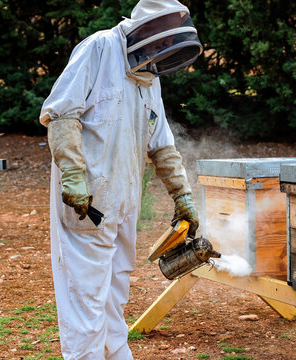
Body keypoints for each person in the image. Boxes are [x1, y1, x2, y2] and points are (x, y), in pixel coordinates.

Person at [39, 0, 202, 358]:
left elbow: (162, 145)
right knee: (86, 296)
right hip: (87, 203)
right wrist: (71, 173)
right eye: (159, 43)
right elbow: (62, 112)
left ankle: (115, 353)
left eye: (165, 46)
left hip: (122, 204)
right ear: (144, 30)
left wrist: (183, 196)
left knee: (114, 290)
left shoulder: (148, 77)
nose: (161, 51)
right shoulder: (98, 48)